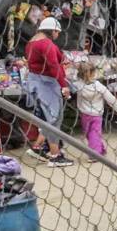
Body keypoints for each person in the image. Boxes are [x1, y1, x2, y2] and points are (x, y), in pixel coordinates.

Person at [23, 16, 73, 167]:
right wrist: (64, 85)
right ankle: (55, 156)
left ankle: (37, 148)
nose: (58, 35)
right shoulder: (46, 44)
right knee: (55, 118)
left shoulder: (31, 43)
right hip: (47, 84)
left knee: (47, 118)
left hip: (36, 82)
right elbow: (54, 66)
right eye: (57, 32)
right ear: (51, 30)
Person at [74, 62, 117, 161]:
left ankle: (99, 149)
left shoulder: (78, 85)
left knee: (89, 133)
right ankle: (95, 154)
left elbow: (69, 84)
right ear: (93, 73)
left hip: (84, 114)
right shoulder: (98, 86)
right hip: (97, 114)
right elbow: (110, 98)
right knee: (95, 133)